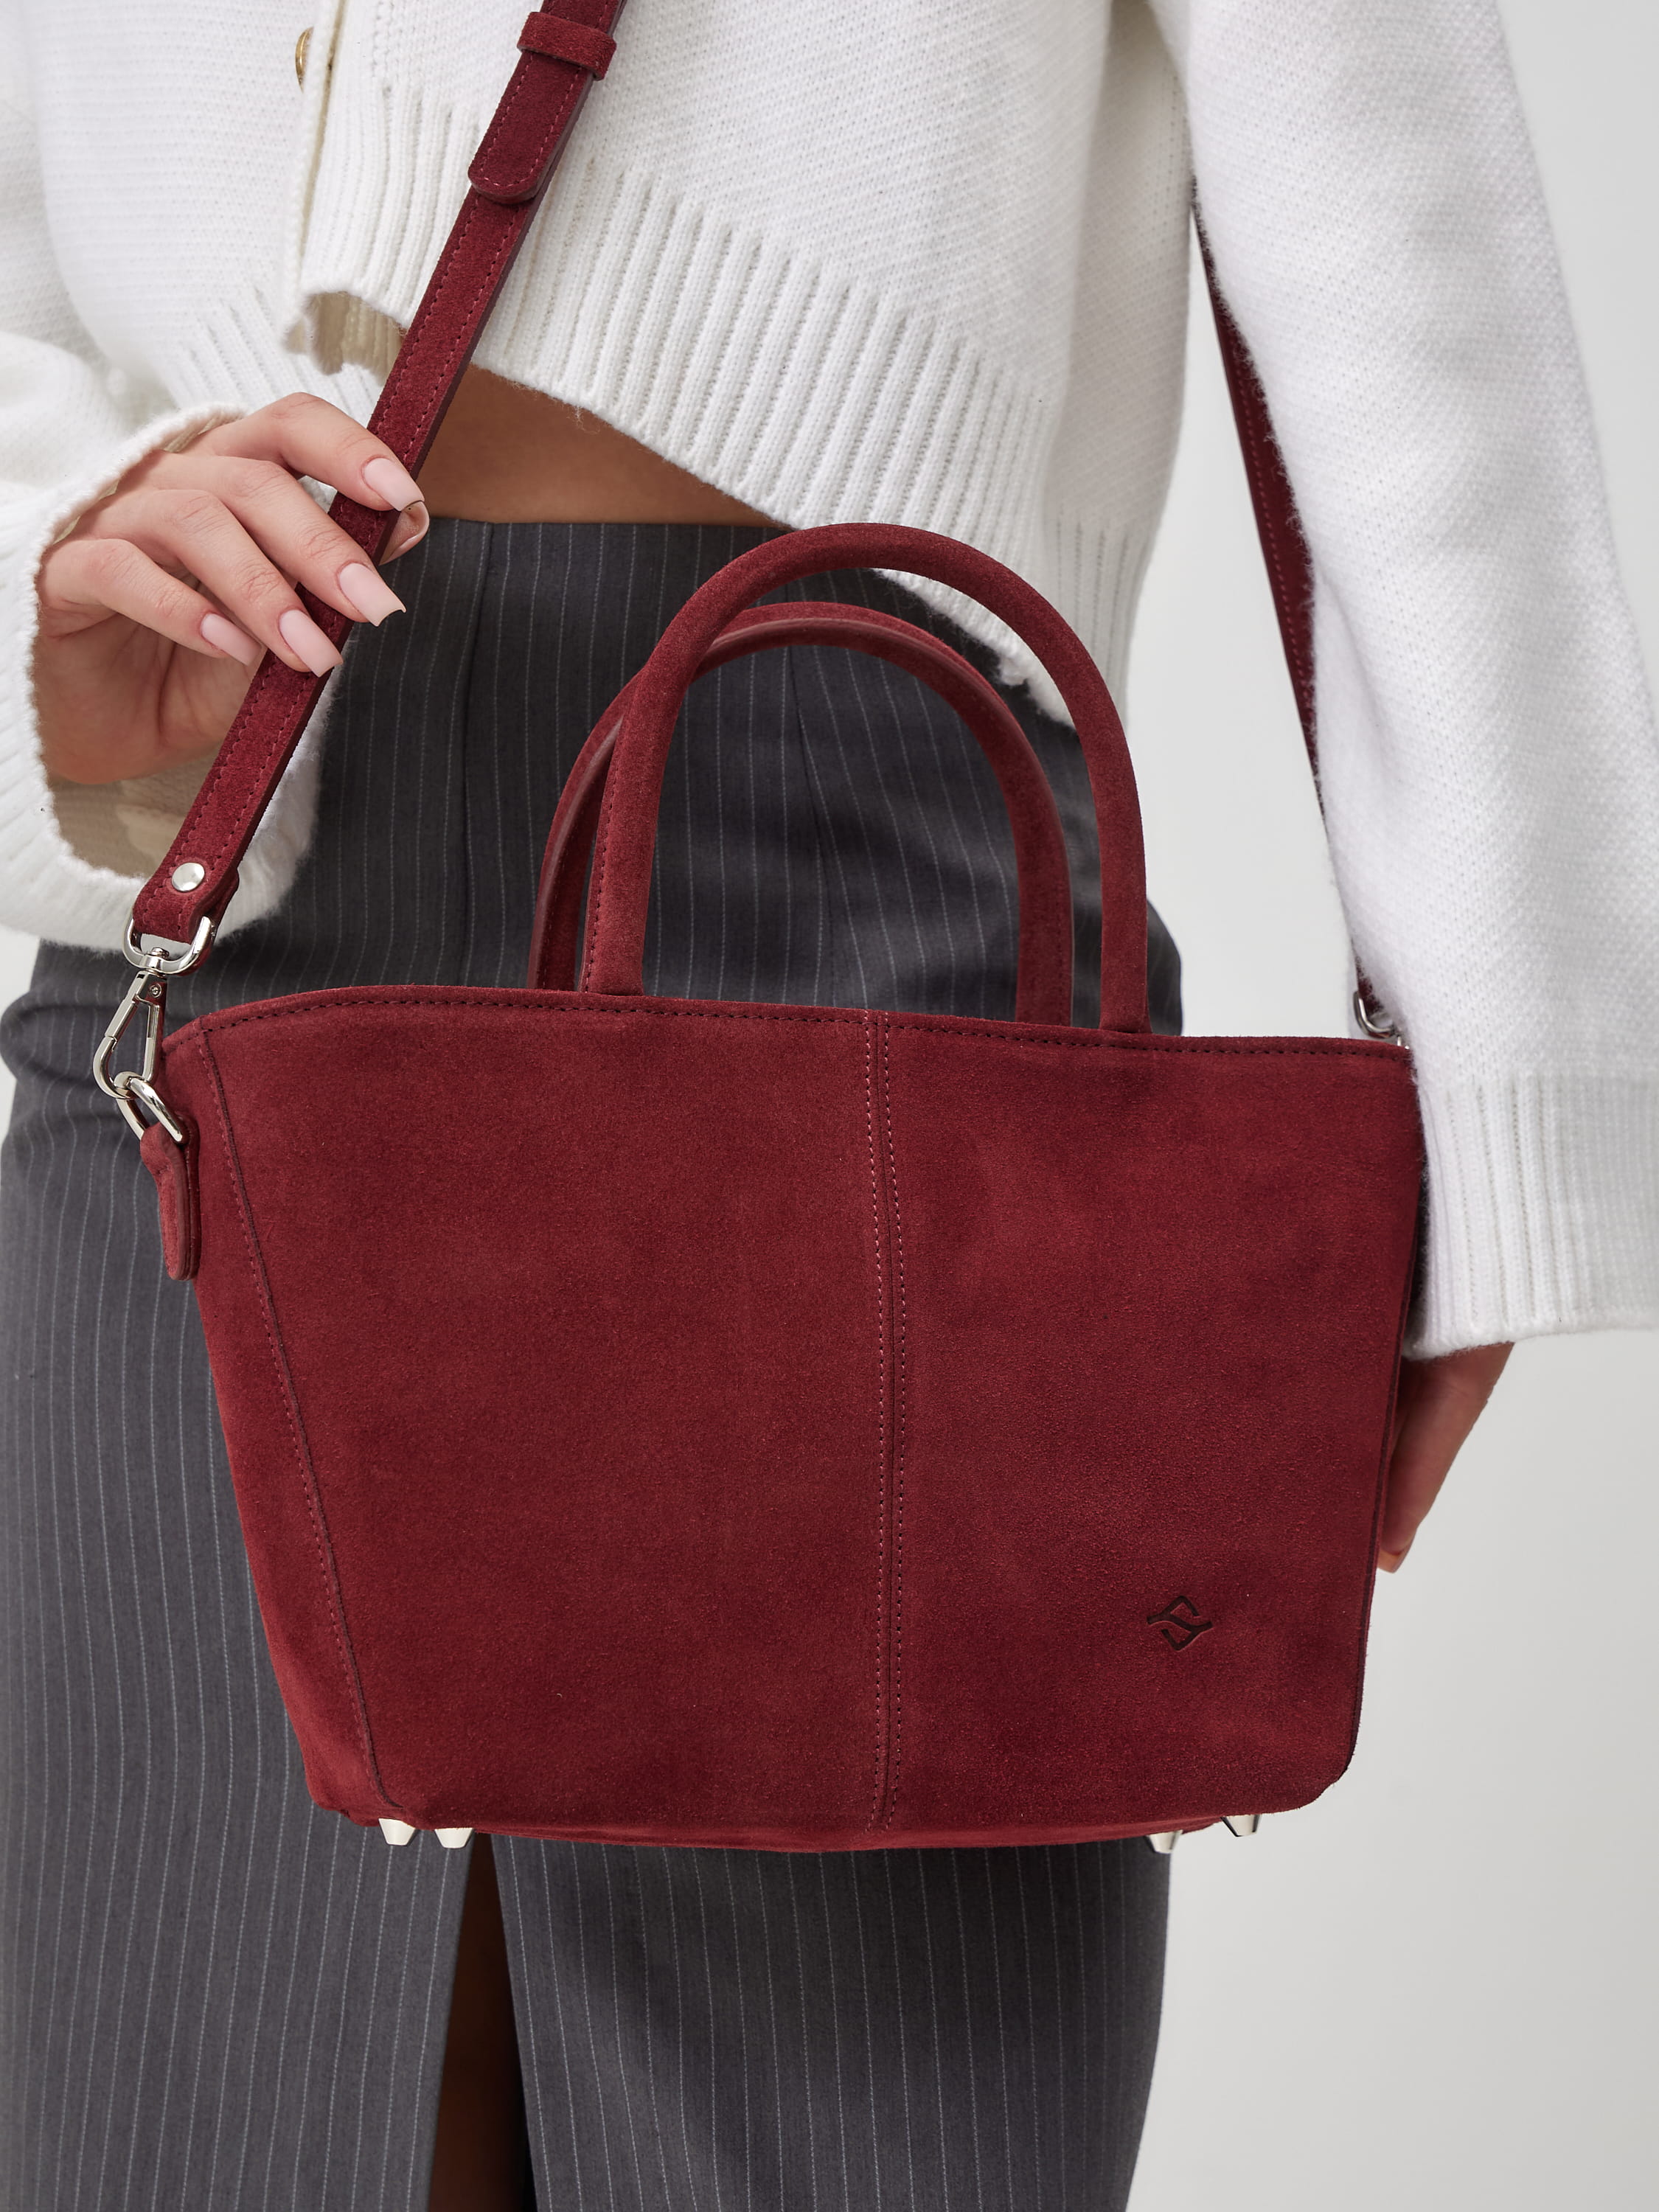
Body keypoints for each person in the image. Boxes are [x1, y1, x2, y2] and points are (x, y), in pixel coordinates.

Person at [0, 2, 1652, 2207]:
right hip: (212, 836)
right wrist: (45, 573)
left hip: (850, 878)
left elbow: (1397, 225)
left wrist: (1508, 1079)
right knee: (169, 2103)